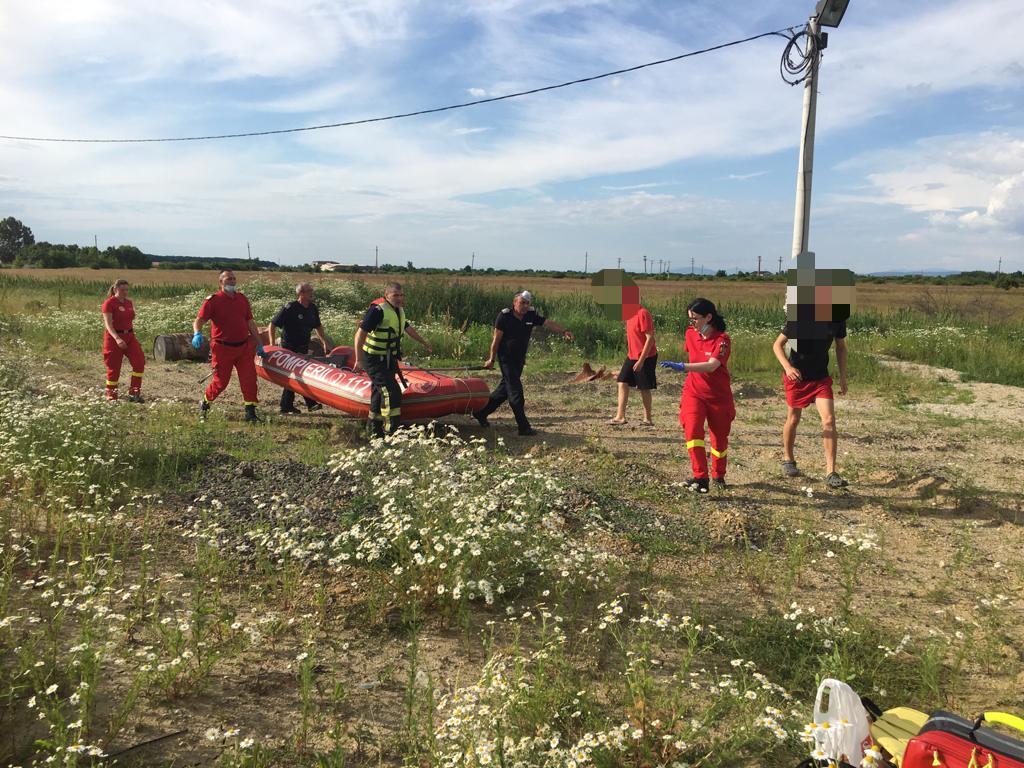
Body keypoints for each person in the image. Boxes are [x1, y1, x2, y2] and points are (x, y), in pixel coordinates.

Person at [659, 298, 735, 493]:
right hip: (694, 392)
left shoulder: (722, 340)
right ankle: (700, 477)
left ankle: (719, 474)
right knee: (692, 430)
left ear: (709, 317)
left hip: (718, 396)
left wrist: (682, 366)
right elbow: (692, 351)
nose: (691, 323)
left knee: (719, 439)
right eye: (689, 319)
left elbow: (711, 365)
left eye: (695, 319)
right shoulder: (690, 335)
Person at [472, 290, 573, 436]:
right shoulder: (504, 316)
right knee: (515, 391)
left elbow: (548, 323)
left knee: (504, 391)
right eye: (522, 303)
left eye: (527, 303)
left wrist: (564, 331)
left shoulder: (531, 315)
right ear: (515, 303)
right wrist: (491, 359)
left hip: (519, 359)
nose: (525, 306)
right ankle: (523, 427)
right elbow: (496, 340)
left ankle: (481, 413)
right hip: (506, 359)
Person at [772, 311, 849, 488]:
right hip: (796, 377)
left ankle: (831, 472)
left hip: (821, 378)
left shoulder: (838, 318)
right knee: (793, 419)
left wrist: (843, 377)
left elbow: (841, 347)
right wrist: (788, 367)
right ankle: (788, 459)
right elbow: (777, 345)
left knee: (829, 420)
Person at [352, 282, 432, 437]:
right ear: (386, 295)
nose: (399, 298)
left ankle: (373, 429)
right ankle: (390, 431)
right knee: (391, 392)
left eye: (402, 295)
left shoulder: (398, 310)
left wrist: (424, 342)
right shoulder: (377, 310)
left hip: (388, 358)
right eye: (396, 295)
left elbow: (407, 328)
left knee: (378, 391)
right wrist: (358, 359)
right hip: (373, 358)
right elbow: (359, 335)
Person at [192, 270, 266, 423]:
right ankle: (205, 403)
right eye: (228, 279)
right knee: (221, 382)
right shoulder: (212, 301)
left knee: (249, 380)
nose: (232, 281)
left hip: (244, 347)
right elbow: (199, 320)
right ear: (221, 282)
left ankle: (250, 413)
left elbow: (250, 323)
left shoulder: (242, 299)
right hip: (222, 348)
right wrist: (197, 333)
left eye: (233, 278)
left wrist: (259, 344)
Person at [269, 282, 332, 414]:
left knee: (298, 374)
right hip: (289, 347)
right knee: (295, 374)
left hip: (304, 346)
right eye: (309, 291)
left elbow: (318, 326)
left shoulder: (312, 308)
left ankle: (287, 406)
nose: (312, 292)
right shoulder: (290, 307)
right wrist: (272, 344)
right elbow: (273, 324)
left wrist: (324, 341)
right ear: (301, 293)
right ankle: (309, 403)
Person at [609, 301, 657, 426]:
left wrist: (641, 360)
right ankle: (620, 417)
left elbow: (650, 338)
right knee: (622, 381)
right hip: (632, 356)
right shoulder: (629, 315)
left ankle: (648, 419)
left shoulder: (643, 313)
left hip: (646, 356)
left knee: (644, 387)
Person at [101, 278, 145, 402]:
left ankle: (134, 393)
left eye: (127, 290)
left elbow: (130, 318)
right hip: (114, 339)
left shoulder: (129, 303)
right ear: (115, 289)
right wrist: (117, 338)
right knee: (114, 368)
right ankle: (111, 396)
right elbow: (108, 325)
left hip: (130, 337)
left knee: (139, 363)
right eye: (122, 290)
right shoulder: (109, 303)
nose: (125, 292)